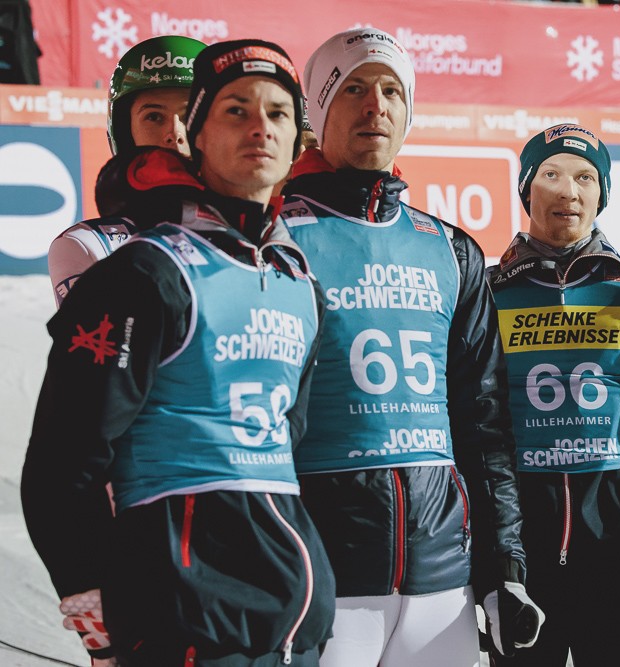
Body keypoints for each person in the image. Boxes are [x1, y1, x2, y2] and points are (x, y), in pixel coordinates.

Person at [21, 39, 336, 666]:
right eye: (236, 110)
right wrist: (94, 611)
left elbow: (289, 445)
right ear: (196, 137)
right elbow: (63, 461)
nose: (260, 128)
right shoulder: (144, 271)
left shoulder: (298, 283)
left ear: (296, 141)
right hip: (185, 616)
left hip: (293, 623)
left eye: (277, 112)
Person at [280, 27, 542, 667]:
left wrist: (504, 568)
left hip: (442, 582)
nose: (376, 106)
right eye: (354, 90)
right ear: (317, 109)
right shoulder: (275, 238)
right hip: (323, 582)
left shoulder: (450, 249)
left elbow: (483, 425)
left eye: (392, 91)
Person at [485, 123, 620, 667]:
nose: (568, 192)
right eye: (550, 175)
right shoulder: (487, 290)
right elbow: (474, 424)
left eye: (584, 178)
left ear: (602, 194)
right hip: (522, 553)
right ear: (526, 188)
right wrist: (488, 565)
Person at [48, 35, 206, 306]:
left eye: (190, 115)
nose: (175, 133)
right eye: (154, 117)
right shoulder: (94, 246)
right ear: (124, 132)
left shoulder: (269, 232)